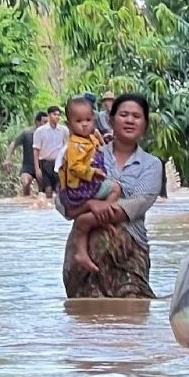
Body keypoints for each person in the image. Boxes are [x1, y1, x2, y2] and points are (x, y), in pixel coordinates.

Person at [60, 94, 166, 298]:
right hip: (83, 256)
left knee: (132, 313)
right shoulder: (86, 153)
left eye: (136, 116)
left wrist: (97, 210)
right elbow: (63, 202)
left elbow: (137, 204)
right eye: (123, 114)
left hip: (129, 255)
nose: (129, 120)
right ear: (110, 120)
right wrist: (90, 203)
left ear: (145, 124)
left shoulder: (151, 165)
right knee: (85, 318)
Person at [57, 96, 122, 274]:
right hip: (81, 188)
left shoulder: (90, 138)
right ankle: (104, 213)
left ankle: (100, 218)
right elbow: (76, 167)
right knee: (115, 188)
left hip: (86, 186)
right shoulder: (74, 145)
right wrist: (93, 172)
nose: (85, 124)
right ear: (69, 125)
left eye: (88, 120)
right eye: (79, 121)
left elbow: (100, 150)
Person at [8, 111, 46, 197]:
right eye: (44, 122)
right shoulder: (26, 133)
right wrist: (8, 159)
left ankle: (40, 206)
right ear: (37, 122)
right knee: (25, 183)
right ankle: (26, 201)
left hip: (43, 167)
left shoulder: (48, 134)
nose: (46, 125)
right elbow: (13, 144)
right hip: (28, 167)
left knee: (43, 191)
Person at [32, 105, 66, 197]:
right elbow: (36, 150)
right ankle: (48, 208)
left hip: (59, 163)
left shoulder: (63, 130)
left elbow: (67, 147)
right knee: (48, 189)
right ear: (49, 115)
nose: (57, 117)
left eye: (59, 115)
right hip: (45, 163)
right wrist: (37, 168)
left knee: (60, 188)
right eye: (55, 114)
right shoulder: (40, 131)